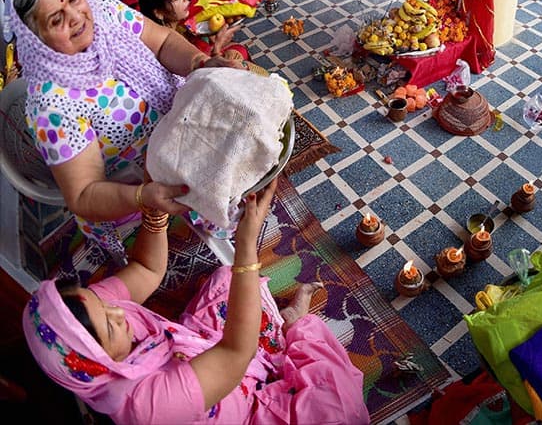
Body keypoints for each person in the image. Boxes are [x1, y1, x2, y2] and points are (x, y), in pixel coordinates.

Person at [22, 178, 369, 424]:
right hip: (244, 407)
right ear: (102, 365)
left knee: (226, 284)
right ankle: (291, 325)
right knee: (337, 409)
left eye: (106, 303)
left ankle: (278, 334)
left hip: (196, 349)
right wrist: (246, 248)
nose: (118, 311)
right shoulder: (146, 407)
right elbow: (236, 353)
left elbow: (145, 269)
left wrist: (153, 209)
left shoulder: (90, 314)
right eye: (113, 325)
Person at [5, 0, 242, 261]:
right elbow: (84, 193)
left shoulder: (104, 11)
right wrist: (143, 196)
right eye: (56, 19)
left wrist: (200, 62)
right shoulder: (52, 104)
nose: (76, 16)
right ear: (36, 40)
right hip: (133, 187)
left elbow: (164, 41)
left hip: (183, 129)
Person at [138, 0, 249, 62]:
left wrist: (217, 40)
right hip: (204, 78)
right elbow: (199, 74)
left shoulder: (183, 22)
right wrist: (218, 48)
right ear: (159, 13)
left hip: (212, 60)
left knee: (239, 50)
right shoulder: (167, 45)